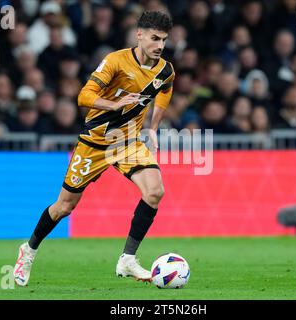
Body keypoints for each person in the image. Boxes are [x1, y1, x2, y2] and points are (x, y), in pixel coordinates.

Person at [13, 11, 175, 286]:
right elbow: (84, 96)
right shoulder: (115, 61)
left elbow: (165, 90)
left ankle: (127, 260)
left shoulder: (164, 69)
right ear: (139, 34)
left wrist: (153, 126)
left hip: (127, 142)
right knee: (64, 207)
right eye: (154, 38)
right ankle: (28, 251)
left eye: (164, 40)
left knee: (155, 192)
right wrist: (114, 105)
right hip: (94, 143)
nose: (159, 45)